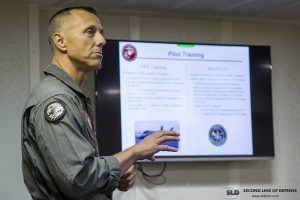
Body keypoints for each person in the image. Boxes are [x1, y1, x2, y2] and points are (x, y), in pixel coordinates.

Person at [21, 6, 180, 200]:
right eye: (90, 32)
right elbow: (79, 180)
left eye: (101, 33)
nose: (102, 41)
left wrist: (113, 176)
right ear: (61, 42)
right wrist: (135, 151)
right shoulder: (56, 100)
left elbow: (81, 174)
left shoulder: (71, 96)